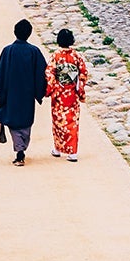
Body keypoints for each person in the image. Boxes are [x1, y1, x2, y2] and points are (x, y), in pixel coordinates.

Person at [0, 19, 47, 166]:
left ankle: (19, 150)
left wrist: (0, 94)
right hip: (27, 94)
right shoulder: (34, 51)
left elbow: (0, 74)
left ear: (15, 32)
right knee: (26, 122)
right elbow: (42, 74)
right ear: (29, 34)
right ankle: (21, 148)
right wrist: (40, 92)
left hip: (11, 94)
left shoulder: (8, 51)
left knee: (14, 123)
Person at [45, 28, 88, 161]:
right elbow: (83, 74)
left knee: (58, 122)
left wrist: (49, 90)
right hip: (72, 93)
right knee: (72, 122)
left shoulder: (55, 56)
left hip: (59, 93)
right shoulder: (77, 56)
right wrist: (80, 90)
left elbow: (50, 74)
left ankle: (58, 149)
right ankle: (72, 152)